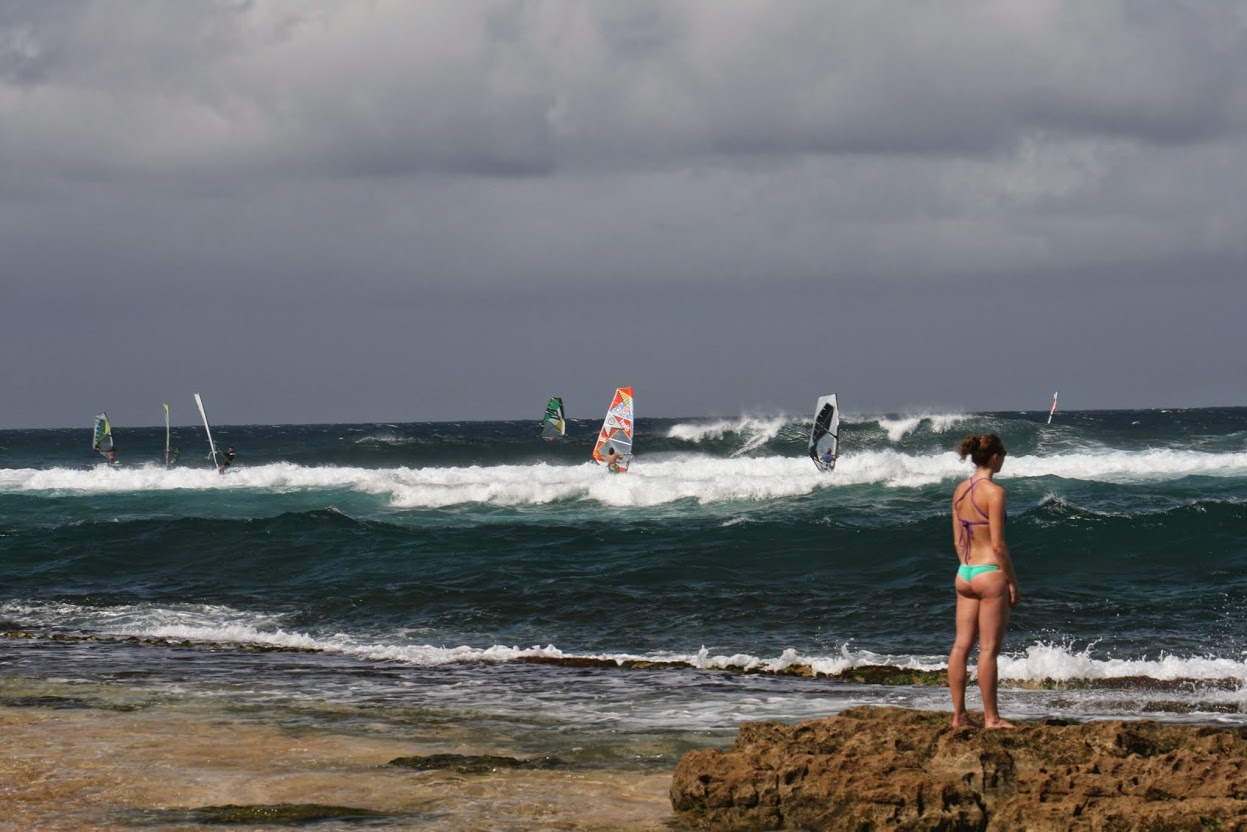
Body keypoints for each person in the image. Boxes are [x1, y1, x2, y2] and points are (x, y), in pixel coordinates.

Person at [948, 433, 1019, 730]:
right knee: (988, 649)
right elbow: (999, 546)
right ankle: (991, 718)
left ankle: (959, 716)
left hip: (964, 573)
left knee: (961, 646)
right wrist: (1012, 582)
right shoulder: (994, 492)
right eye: (1002, 456)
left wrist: (968, 567)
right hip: (989, 573)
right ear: (995, 458)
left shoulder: (960, 491)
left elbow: (956, 541)